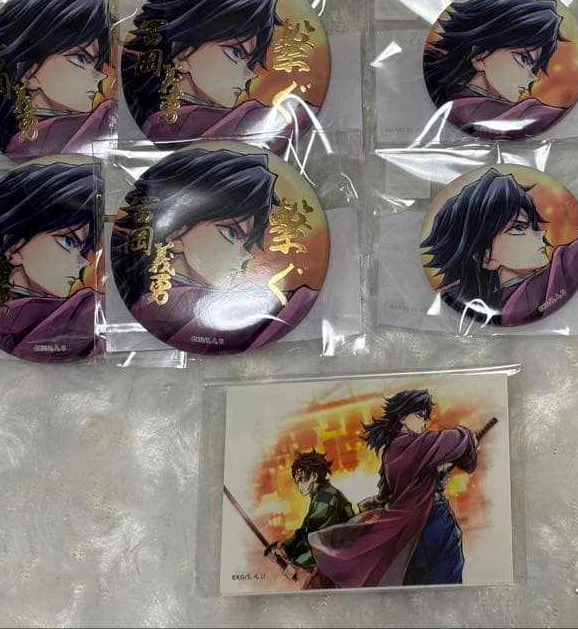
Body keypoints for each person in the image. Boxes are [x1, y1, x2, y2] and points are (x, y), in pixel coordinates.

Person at [110, 148, 318, 353]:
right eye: (232, 233)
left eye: (246, 243)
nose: (247, 256)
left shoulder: (167, 305)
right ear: (176, 230)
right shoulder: (161, 307)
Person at [308, 390, 477, 587]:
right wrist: (467, 437)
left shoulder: (392, 451)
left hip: (420, 528)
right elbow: (454, 439)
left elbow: (397, 490)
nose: (424, 423)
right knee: (444, 579)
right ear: (403, 417)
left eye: (426, 417)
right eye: (420, 415)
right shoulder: (410, 445)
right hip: (432, 524)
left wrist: (434, 480)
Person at [121, 0, 311, 145]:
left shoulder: (247, 121)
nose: (251, 74)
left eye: (250, 60)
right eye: (235, 53)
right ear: (182, 54)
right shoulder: (238, 121)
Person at [0, 160, 102, 361]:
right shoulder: (84, 310)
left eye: (82, 249)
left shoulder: (84, 311)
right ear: (14, 247)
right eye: (68, 242)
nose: (84, 263)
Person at [420, 168, 578, 325]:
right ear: (485, 256)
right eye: (518, 228)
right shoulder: (464, 301)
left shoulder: (558, 271)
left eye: (532, 226)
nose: (541, 234)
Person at [0, 0, 114, 156]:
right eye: (81, 58)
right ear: (29, 72)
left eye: (95, 64)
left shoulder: (99, 122)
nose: (101, 76)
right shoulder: (104, 118)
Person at [423, 0, 569, 138]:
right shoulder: (526, 115)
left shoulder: (454, 105)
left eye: (534, 67)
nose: (534, 77)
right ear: (480, 55)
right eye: (524, 59)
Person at [268, 450, 354, 589]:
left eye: (301, 480)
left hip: (341, 565)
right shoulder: (321, 496)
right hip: (334, 561)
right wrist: (285, 549)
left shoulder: (326, 498)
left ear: (314, 476)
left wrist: (295, 564)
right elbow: (304, 532)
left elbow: (318, 540)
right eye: (296, 481)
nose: (298, 486)